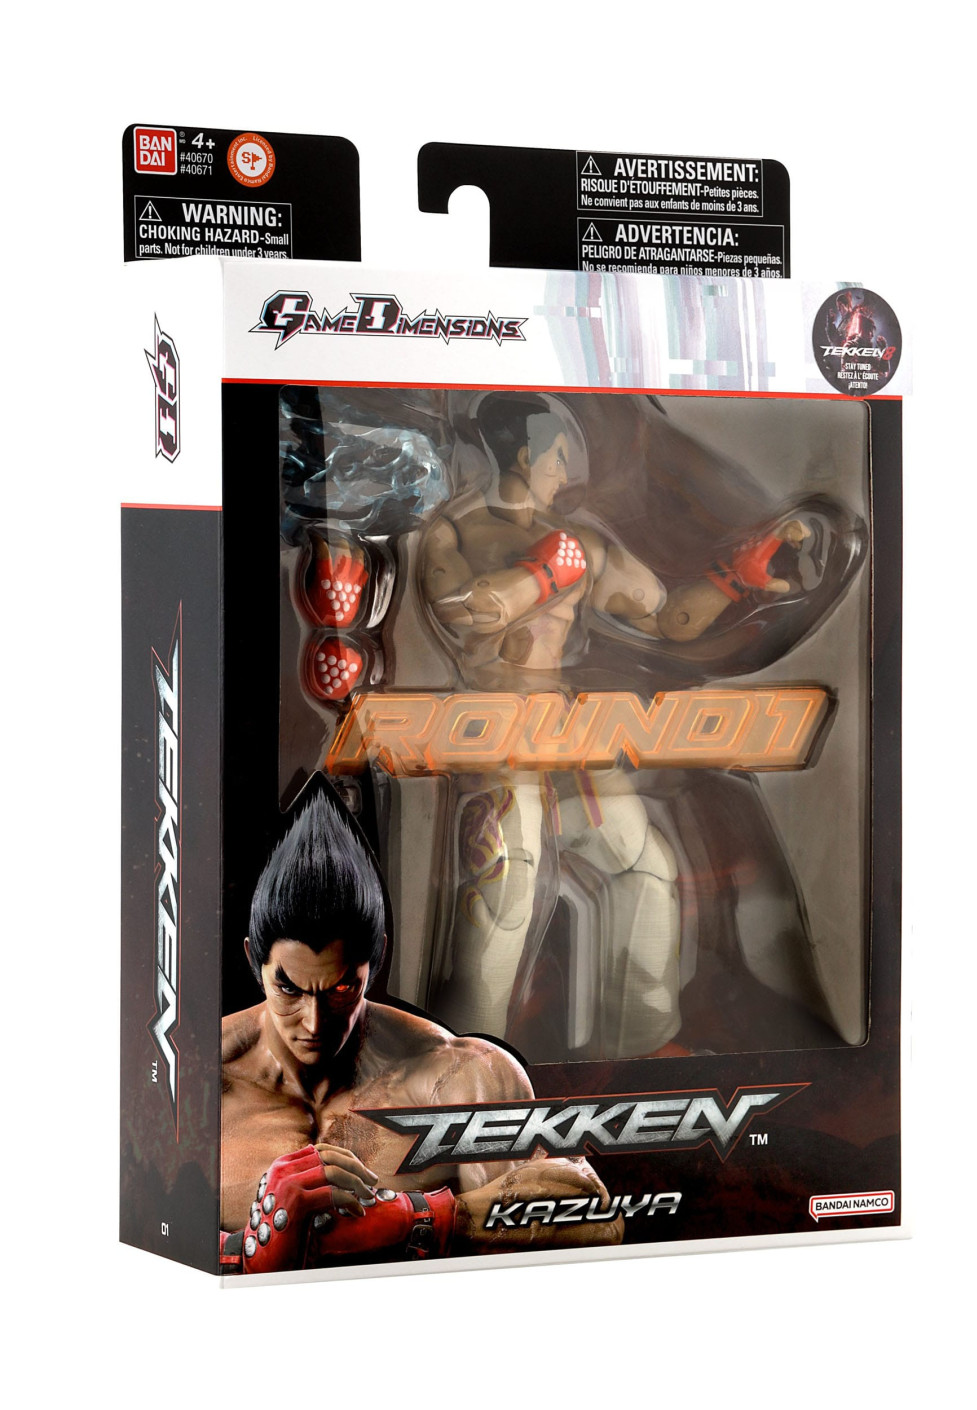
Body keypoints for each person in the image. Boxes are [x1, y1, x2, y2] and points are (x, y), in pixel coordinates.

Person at [417, 395, 811, 1056]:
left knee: (644, 868)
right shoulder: (453, 534)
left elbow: (669, 619)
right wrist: (546, 571)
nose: (567, 469)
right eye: (558, 455)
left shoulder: (583, 544)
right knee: (504, 891)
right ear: (525, 455)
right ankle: (468, 1063)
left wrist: (731, 578)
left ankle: (641, 1048)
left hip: (564, 730)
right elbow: (465, 611)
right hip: (495, 730)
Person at [219, 779, 620, 1274]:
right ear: (253, 961)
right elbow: (148, 1232)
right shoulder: (199, 1083)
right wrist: (247, 1251)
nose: (314, 1021)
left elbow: (594, 1215)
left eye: (343, 989)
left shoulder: (456, 1074)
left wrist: (414, 1219)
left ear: (377, 961)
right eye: (289, 989)